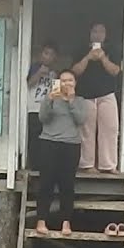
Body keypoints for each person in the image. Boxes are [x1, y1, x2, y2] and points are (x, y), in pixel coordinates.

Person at [36, 70, 89, 235]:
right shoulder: (51, 98)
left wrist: (71, 100)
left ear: (75, 83)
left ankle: (66, 222)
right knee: (46, 183)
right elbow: (42, 118)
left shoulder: (80, 101)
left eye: (70, 80)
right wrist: (49, 100)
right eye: (63, 80)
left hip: (70, 145)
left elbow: (80, 120)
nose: (67, 84)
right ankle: (41, 220)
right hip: (48, 143)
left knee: (67, 184)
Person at [71, 21, 124, 173]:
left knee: (110, 129)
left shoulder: (112, 49)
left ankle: (108, 165)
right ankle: (87, 165)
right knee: (86, 131)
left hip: (107, 94)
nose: (98, 35)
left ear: (106, 34)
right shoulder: (81, 49)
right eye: (95, 31)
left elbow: (115, 71)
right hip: (85, 95)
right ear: (90, 33)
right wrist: (88, 57)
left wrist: (102, 58)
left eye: (101, 31)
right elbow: (75, 71)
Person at [25, 40, 61, 169]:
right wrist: (39, 73)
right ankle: (33, 164)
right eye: (46, 53)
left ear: (55, 57)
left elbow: (57, 93)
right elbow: (28, 84)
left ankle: (45, 164)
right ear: (41, 54)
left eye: (51, 54)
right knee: (34, 137)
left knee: (46, 138)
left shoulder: (55, 73)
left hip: (48, 110)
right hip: (34, 108)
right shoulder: (34, 68)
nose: (48, 57)